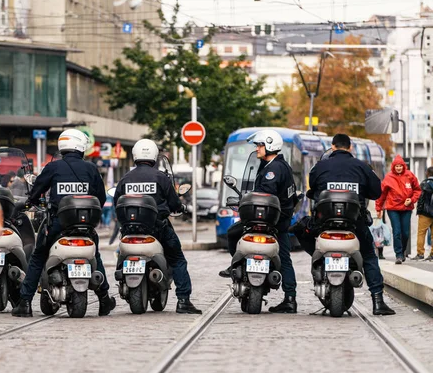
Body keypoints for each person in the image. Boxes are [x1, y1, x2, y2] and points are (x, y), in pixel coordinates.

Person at [11, 129, 116, 317]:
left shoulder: (53, 168)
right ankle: (104, 299)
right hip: (85, 227)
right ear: (80, 146)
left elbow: (36, 193)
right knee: (95, 256)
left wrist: (30, 203)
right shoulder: (91, 169)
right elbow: (100, 198)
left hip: (58, 224)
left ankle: (25, 302)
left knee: (38, 257)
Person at [308, 133, 395, 315]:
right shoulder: (362, 167)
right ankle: (378, 302)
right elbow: (376, 192)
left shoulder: (320, 166)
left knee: (305, 233)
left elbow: (313, 189)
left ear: (333, 147)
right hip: (355, 224)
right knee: (370, 256)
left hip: (325, 225)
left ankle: (317, 270)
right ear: (350, 148)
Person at [113, 139, 202, 314]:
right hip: (158, 228)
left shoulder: (125, 178)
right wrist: (180, 207)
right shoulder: (161, 177)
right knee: (177, 259)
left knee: (121, 253)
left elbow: (117, 202)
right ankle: (183, 300)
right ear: (154, 156)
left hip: (130, 231)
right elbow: (174, 203)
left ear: (135, 156)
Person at [219, 130, 299, 314]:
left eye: (260, 145)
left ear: (270, 146)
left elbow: (263, 197)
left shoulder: (273, 170)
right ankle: (290, 298)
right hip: (280, 221)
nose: (257, 149)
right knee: (285, 259)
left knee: (233, 233)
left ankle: (236, 264)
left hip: (273, 222)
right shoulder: (278, 165)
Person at [375, 155, 421, 264]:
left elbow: (417, 190)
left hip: (406, 207)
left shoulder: (410, 175)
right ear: (393, 167)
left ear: (403, 166)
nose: (399, 168)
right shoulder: (388, 177)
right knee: (397, 231)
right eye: (397, 166)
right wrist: (379, 208)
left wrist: (412, 199)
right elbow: (382, 194)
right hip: (393, 208)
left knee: (405, 232)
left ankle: (403, 249)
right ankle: (399, 255)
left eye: (400, 166)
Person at [415, 166, 433, 261]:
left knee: (421, 233)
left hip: (425, 213)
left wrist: (419, 210)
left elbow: (420, 198)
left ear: (427, 173)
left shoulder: (424, 184)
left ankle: (420, 253)